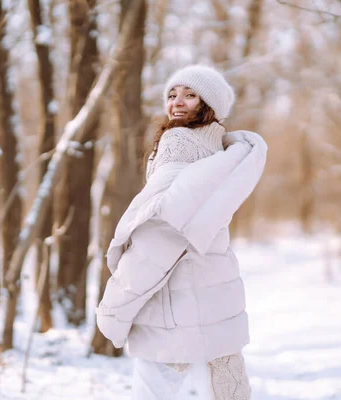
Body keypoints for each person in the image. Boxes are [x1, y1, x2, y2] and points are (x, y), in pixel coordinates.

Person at [95, 65, 268, 399]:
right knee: (218, 385)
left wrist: (117, 303)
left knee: (153, 387)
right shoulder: (225, 151)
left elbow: (159, 230)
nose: (177, 102)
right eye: (173, 94)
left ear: (209, 105)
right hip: (213, 283)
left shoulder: (177, 142)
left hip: (174, 294)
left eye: (190, 95)